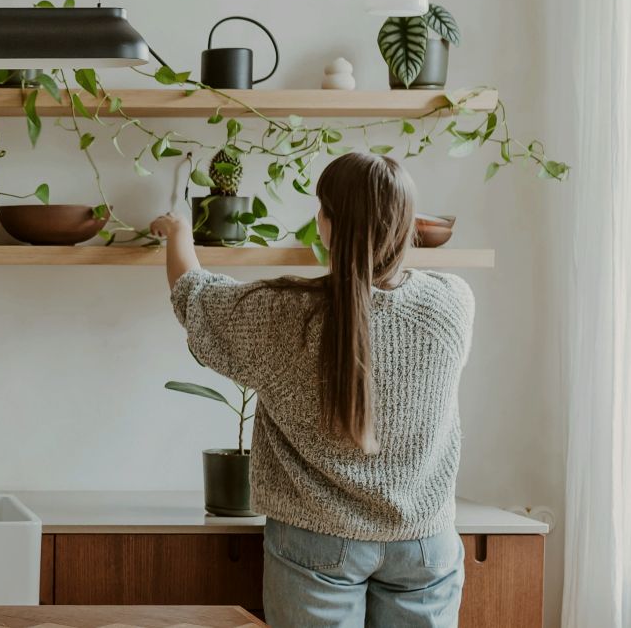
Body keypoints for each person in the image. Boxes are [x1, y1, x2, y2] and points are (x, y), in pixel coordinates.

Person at [150, 153, 474, 628]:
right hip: (425, 544)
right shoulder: (452, 303)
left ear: (325, 224)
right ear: (411, 226)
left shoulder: (282, 316)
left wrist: (179, 233)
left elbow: (193, 295)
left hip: (316, 543)